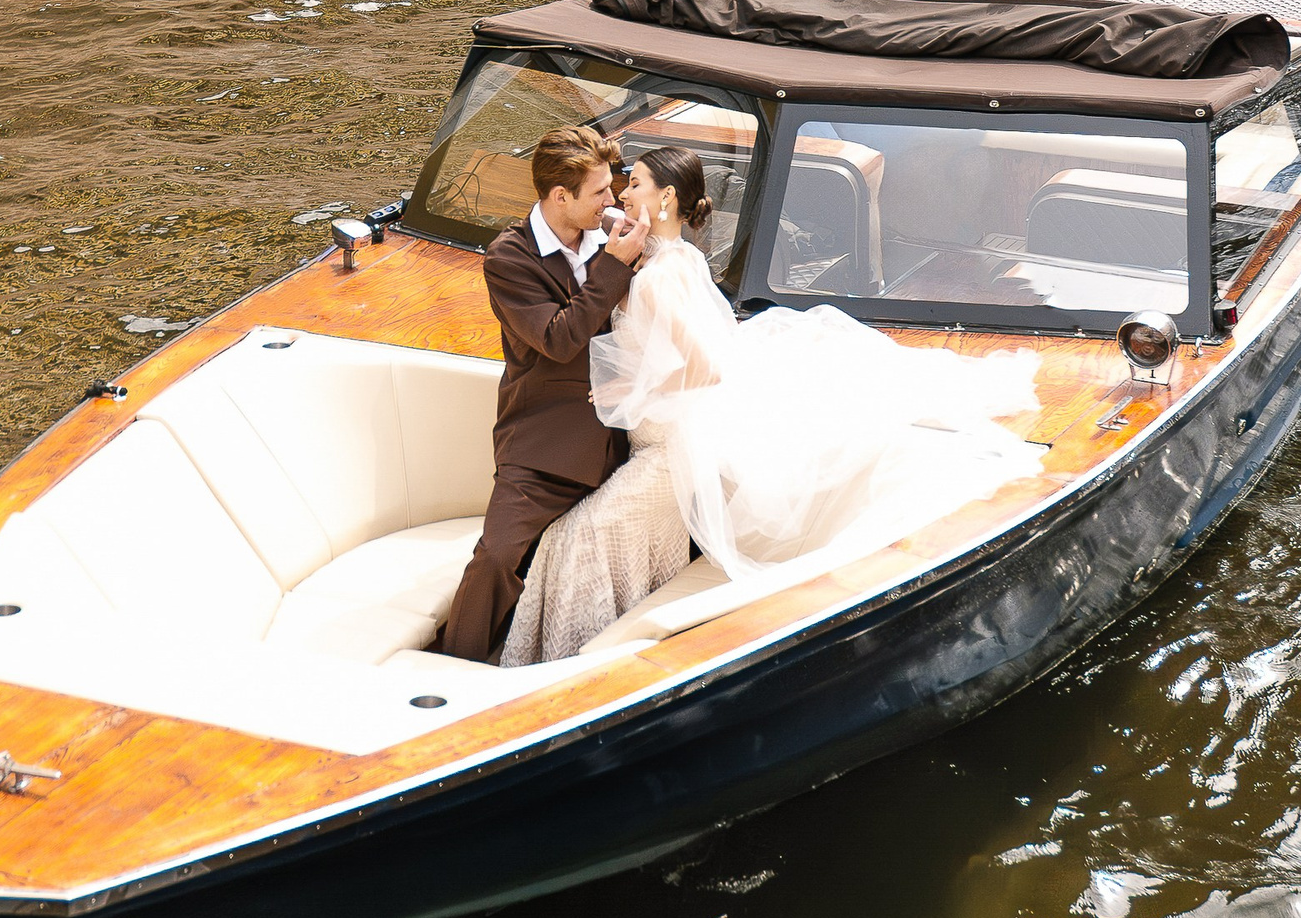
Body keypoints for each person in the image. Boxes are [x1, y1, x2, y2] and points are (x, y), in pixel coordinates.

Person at [501, 143, 1046, 667]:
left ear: (665, 199)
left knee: (579, 537)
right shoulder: (677, 257)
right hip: (665, 442)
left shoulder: (658, 277)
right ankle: (600, 648)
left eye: (633, 184)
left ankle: (559, 665)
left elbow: (703, 369)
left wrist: (625, 391)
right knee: (603, 537)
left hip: (667, 450)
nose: (620, 193)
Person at [438, 121, 647, 664]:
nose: (613, 197)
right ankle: (456, 668)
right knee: (496, 558)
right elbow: (558, 340)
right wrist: (613, 267)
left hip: (628, 440)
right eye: (601, 190)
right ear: (561, 196)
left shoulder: (617, 238)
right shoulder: (509, 259)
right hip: (545, 446)